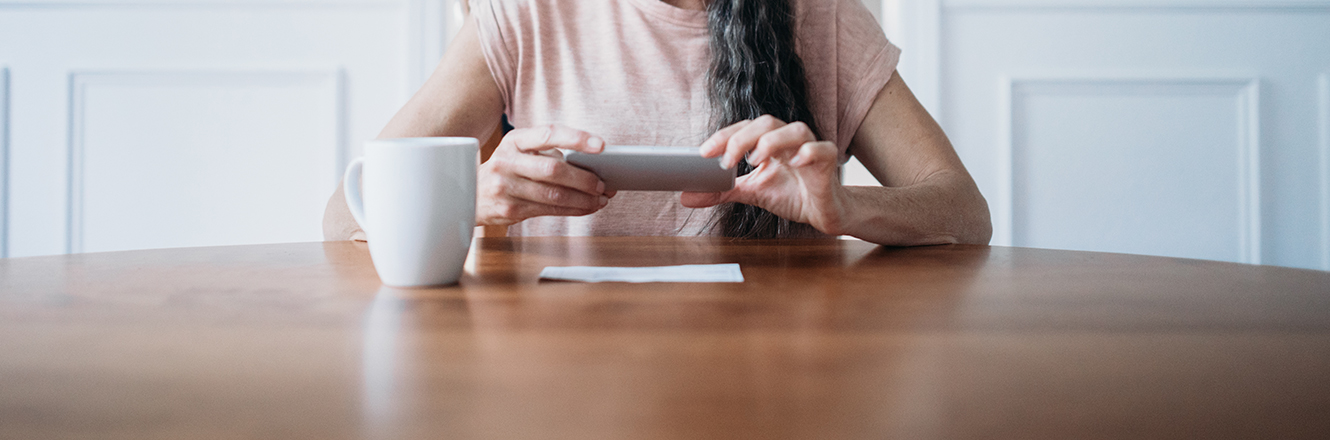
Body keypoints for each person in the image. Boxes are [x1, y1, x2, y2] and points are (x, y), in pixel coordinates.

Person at [324, 0, 992, 246]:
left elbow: (964, 211)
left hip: (781, 375)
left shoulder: (823, 19)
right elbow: (343, 215)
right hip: (554, 374)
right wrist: (466, 202)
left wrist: (842, 208)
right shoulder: (525, 15)